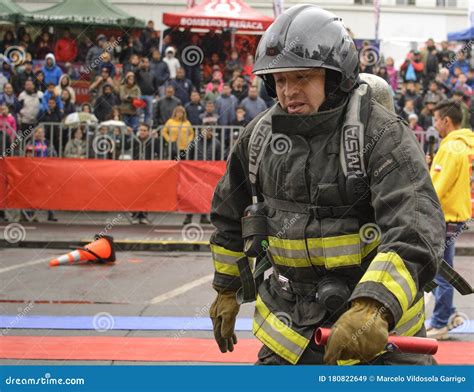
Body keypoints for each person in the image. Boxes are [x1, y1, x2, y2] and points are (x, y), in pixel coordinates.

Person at [208, 5, 445, 366]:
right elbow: (228, 217)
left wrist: (374, 305)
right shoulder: (258, 138)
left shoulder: (380, 134)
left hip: (382, 339)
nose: (289, 91)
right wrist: (226, 287)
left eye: (302, 77)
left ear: (335, 77)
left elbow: (414, 228)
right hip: (291, 336)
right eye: (281, 80)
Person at [426, 100, 473, 340]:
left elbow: (438, 187)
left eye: (436, 120)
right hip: (456, 216)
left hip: (443, 216)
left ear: (446, 121)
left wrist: (422, 207)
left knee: (439, 273)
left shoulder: (450, 147)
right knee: (443, 269)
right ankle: (450, 313)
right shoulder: (465, 145)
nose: (434, 125)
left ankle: (441, 322)